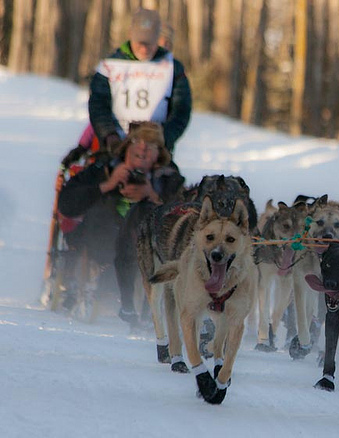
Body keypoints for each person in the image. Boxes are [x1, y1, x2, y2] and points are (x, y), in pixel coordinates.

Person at [58, 122, 184, 324]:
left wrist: (152, 195)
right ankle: (95, 288)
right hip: (100, 240)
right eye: (137, 141)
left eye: (150, 144)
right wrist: (107, 185)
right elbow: (66, 204)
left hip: (143, 248)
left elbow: (182, 219)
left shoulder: (169, 178)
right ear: (127, 145)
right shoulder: (103, 167)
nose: (143, 148)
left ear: (159, 154)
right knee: (100, 215)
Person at [89, 8, 191, 161]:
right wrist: (110, 137)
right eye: (140, 43)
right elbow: (98, 105)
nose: (144, 49)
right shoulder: (109, 66)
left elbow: (181, 110)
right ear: (131, 35)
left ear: (158, 38)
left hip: (156, 153)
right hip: (114, 149)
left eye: (149, 43)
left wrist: (164, 139)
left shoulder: (173, 68)